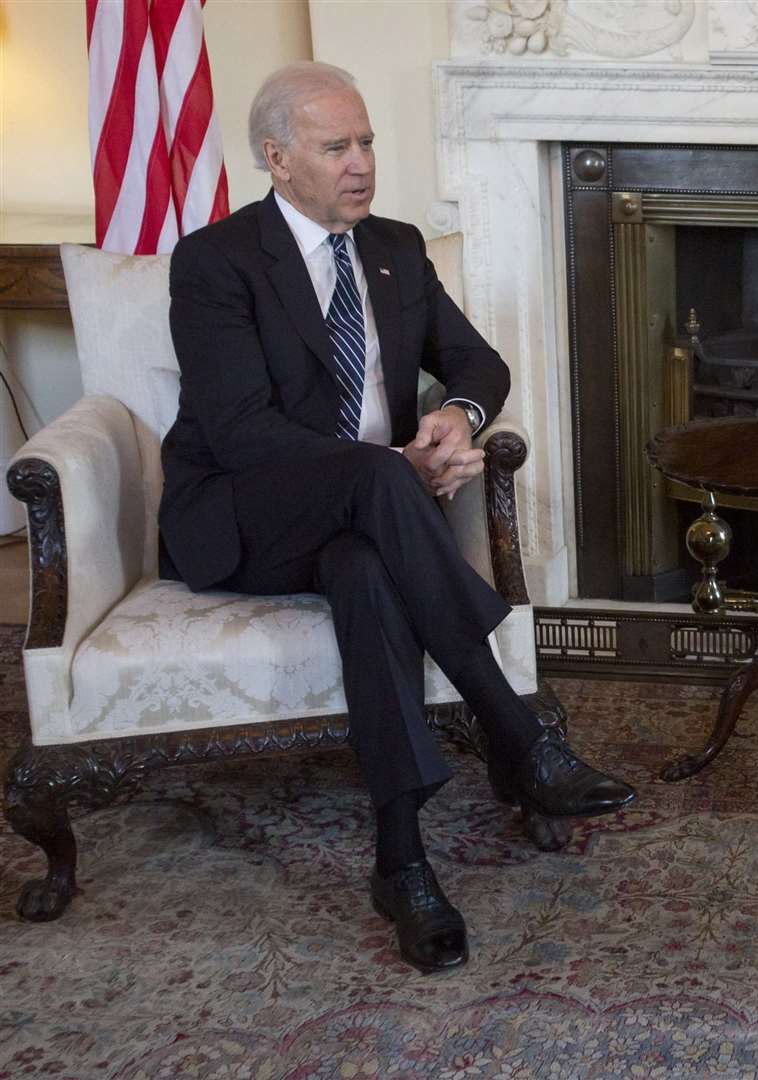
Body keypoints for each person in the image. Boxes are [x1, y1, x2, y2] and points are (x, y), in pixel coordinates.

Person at [159, 61, 636, 974]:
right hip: (242, 515)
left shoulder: (395, 246)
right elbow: (241, 430)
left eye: (367, 141)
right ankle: (515, 730)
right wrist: (394, 466)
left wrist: (456, 415)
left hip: (360, 526)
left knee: (367, 573)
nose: (360, 163)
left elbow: (478, 361)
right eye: (335, 146)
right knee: (381, 485)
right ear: (276, 158)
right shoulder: (217, 261)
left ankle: (403, 861)